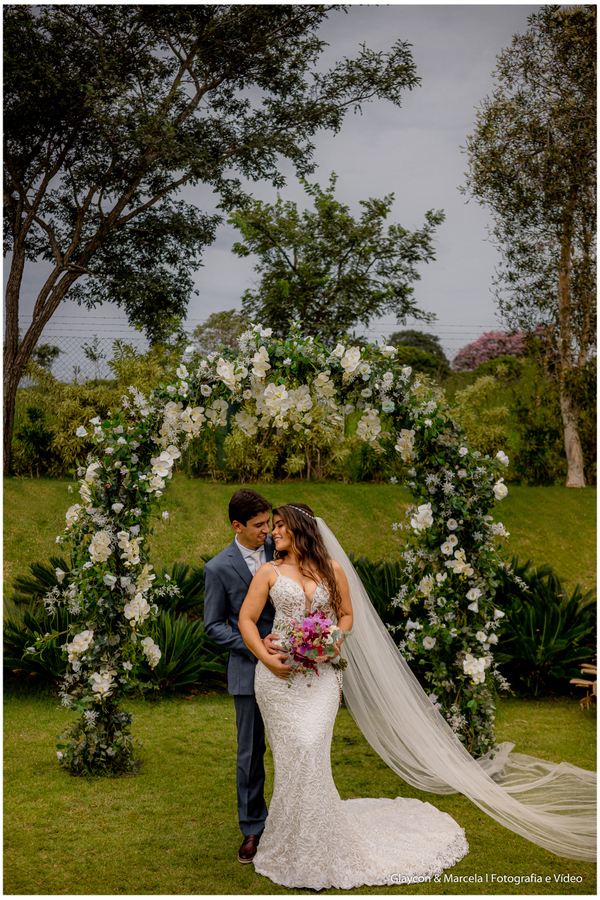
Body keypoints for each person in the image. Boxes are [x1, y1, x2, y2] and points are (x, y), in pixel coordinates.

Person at [238, 503, 470, 890]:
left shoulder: (332, 570)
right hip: (278, 679)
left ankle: (317, 842)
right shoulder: (269, 572)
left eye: (279, 526)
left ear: (299, 529)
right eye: (272, 526)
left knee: (311, 747)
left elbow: (345, 615)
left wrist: (332, 639)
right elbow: (246, 619)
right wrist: (266, 657)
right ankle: (292, 840)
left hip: (323, 675)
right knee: (293, 757)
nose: (272, 532)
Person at [203, 489, 290, 865]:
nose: (267, 530)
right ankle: (253, 828)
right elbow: (213, 626)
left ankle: (295, 821)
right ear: (237, 526)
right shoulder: (217, 568)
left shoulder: (282, 548)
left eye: (268, 522)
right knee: (251, 753)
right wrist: (256, 645)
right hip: (247, 670)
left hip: (292, 664)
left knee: (297, 744)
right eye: (258, 525)